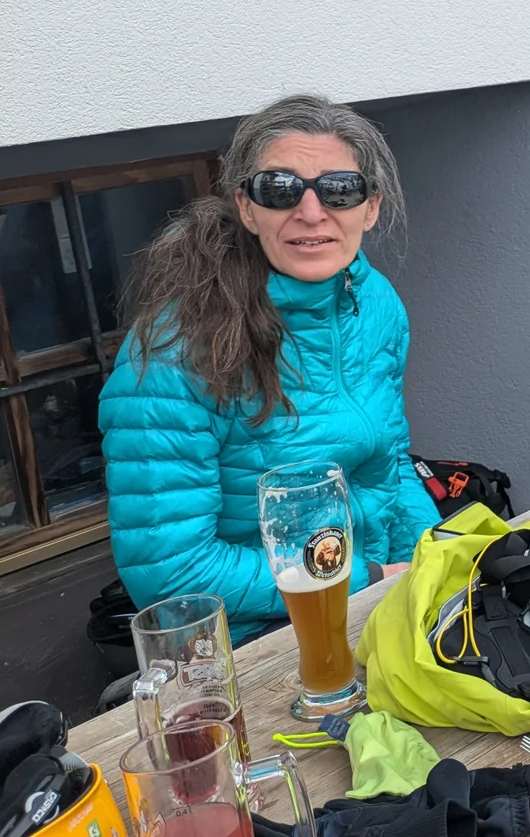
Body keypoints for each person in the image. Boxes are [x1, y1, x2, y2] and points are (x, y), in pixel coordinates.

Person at [100, 96, 441, 643]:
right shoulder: (174, 350)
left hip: (380, 597)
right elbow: (173, 576)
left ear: (370, 207)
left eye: (340, 189)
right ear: (247, 206)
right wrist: (364, 579)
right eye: (280, 190)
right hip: (260, 636)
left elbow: (391, 466)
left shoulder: (376, 305)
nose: (311, 213)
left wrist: (437, 559)